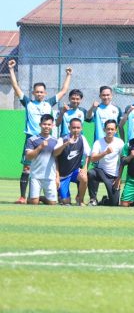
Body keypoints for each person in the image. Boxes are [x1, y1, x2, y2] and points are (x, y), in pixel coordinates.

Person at [8, 58, 72, 204]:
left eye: (42, 92)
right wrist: (11, 70)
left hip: (49, 141)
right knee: (26, 167)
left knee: (52, 165)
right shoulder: (28, 103)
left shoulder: (49, 103)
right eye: (37, 92)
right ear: (33, 92)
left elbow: (63, 91)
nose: (39, 94)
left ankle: (50, 196)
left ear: (45, 93)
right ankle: (23, 196)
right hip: (32, 139)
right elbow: (16, 87)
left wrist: (68, 75)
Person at [24, 114, 63, 205]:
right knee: (34, 203)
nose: (47, 127)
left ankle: (40, 198)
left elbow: (56, 160)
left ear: (52, 126)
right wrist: (40, 147)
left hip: (50, 177)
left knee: (52, 204)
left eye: (49, 124)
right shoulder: (32, 140)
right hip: (35, 176)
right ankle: (33, 199)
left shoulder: (55, 141)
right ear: (40, 124)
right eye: (44, 124)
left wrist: (57, 177)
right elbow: (29, 157)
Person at [53, 118, 91, 205]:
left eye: (78, 128)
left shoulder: (82, 139)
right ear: (69, 128)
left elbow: (89, 154)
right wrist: (65, 144)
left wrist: (85, 168)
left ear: (81, 128)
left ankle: (80, 200)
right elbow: (55, 154)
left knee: (84, 177)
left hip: (74, 172)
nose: (76, 130)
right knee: (66, 202)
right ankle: (55, 196)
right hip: (63, 175)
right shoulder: (62, 139)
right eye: (74, 127)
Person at [87, 120, 124, 206]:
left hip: (113, 176)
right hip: (100, 172)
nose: (110, 131)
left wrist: (118, 178)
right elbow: (92, 158)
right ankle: (93, 199)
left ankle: (104, 201)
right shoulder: (98, 142)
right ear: (104, 130)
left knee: (114, 203)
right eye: (108, 129)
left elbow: (123, 161)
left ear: (116, 130)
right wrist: (105, 153)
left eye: (112, 129)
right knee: (91, 173)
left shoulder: (120, 142)